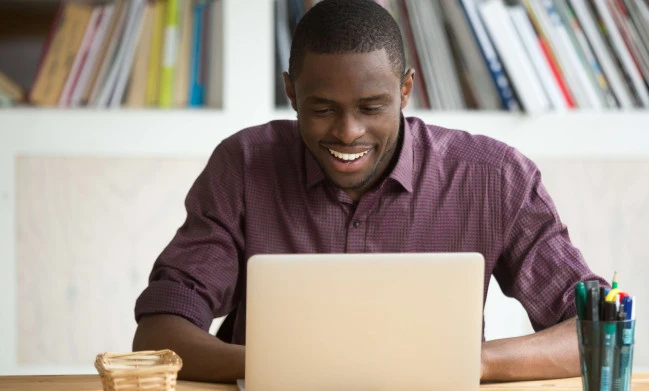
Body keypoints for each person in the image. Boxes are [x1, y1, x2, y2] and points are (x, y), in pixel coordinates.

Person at [133, 0, 607, 383]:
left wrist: (470, 362)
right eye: (321, 109)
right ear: (292, 93)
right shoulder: (243, 166)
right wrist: (277, 369)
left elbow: (599, 330)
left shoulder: (493, 177)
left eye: (371, 106)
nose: (347, 132)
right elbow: (160, 332)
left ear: (405, 91)